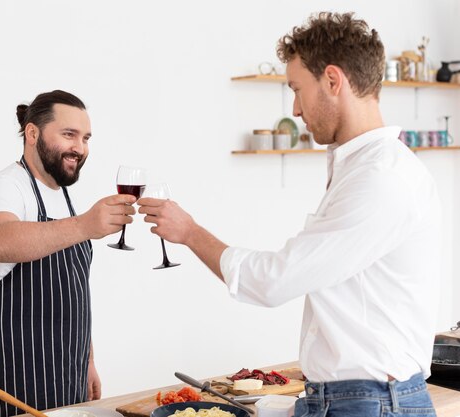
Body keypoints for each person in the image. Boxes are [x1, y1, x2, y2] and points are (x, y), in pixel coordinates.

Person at [138, 12, 440, 417]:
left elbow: (274, 280)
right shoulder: (361, 168)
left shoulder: (381, 178)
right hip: (352, 400)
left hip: (370, 404)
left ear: (333, 81)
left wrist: (190, 232)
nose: (295, 109)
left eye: (297, 89)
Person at [0, 90, 136, 417]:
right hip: (12, 379)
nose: (80, 148)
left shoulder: (63, 198)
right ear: (32, 133)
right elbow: (1, 242)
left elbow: (74, 289)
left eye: (86, 138)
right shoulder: (5, 187)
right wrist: (86, 224)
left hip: (67, 378)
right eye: (69, 135)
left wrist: (88, 360)